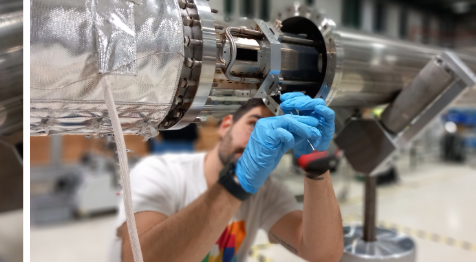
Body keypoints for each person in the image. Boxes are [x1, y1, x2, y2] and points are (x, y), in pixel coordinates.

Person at [110, 94, 344, 262]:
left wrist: (315, 167)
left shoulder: (266, 191)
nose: (258, 140)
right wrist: (237, 183)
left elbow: (322, 254)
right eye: (254, 124)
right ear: (226, 125)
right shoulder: (160, 172)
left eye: (276, 133)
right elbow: (138, 258)